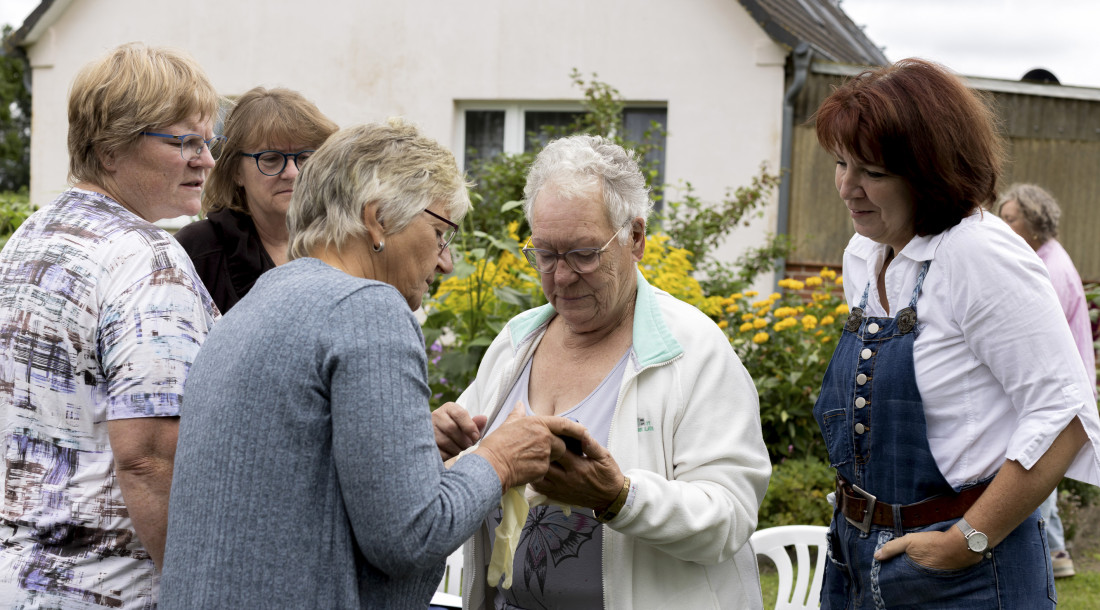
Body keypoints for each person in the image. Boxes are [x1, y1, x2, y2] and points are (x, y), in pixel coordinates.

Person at [160, 119, 587, 609]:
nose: (446, 261)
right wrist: (500, 459)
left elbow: (285, 489)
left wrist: (407, 450)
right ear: (379, 219)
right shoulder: (367, 308)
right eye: (440, 232)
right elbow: (411, 537)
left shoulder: (257, 302)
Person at [432, 134, 772, 609]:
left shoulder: (693, 352)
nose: (561, 276)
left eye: (584, 254)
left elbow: (729, 518)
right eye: (545, 254)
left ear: (636, 238)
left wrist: (620, 498)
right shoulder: (515, 342)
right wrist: (438, 443)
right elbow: (464, 459)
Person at [811, 58, 1100, 609]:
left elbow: (1064, 417)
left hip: (965, 579)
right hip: (855, 557)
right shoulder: (864, 254)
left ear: (930, 172)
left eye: (873, 173)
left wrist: (963, 543)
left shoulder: (979, 255)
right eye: (842, 163)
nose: (847, 187)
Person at [0, 43, 221, 608]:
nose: (206, 161)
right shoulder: (147, 259)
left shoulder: (28, 240)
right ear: (110, 149)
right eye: (185, 142)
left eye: (208, 141)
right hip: (110, 588)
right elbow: (149, 456)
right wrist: (199, 592)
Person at [996, 183, 1098, 578]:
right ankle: (1055, 551)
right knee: (1039, 466)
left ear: (1035, 222)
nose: (1002, 227)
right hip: (1059, 386)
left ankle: (1052, 552)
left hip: (1056, 390)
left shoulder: (1048, 268)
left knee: (1035, 468)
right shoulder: (1044, 257)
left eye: (1010, 219)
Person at [174, 86, 338, 313]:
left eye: (304, 157)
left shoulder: (343, 240)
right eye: (270, 158)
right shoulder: (198, 251)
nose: (292, 173)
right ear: (236, 171)